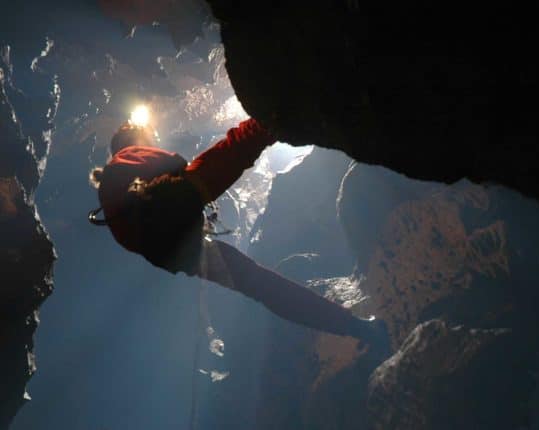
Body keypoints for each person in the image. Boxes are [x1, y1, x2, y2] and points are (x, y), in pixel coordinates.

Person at [89, 117, 387, 345]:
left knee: (257, 284)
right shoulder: (125, 154)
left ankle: (358, 329)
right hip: (170, 205)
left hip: (172, 252)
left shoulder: (111, 192)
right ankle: (272, 119)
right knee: (238, 146)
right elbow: (173, 162)